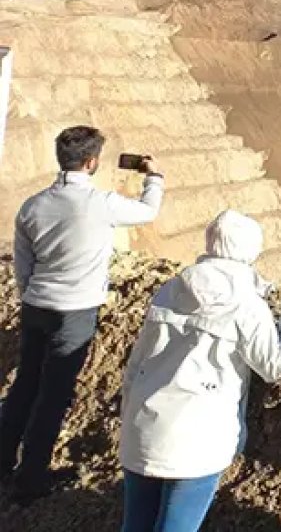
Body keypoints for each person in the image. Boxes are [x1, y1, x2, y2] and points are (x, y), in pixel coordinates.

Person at [2, 125, 164, 504]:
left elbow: (23, 267)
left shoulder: (33, 205)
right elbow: (148, 210)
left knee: (25, 383)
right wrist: (153, 176)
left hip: (36, 304)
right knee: (54, 394)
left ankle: (3, 460)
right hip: (74, 311)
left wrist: (33, 295)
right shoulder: (101, 203)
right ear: (91, 163)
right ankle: (30, 480)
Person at [117, 210, 281, 532]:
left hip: (143, 424)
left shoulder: (170, 288)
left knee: (135, 525)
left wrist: (128, 412)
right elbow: (275, 366)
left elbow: (137, 363)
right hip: (197, 439)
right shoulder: (247, 305)